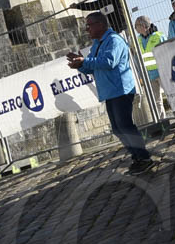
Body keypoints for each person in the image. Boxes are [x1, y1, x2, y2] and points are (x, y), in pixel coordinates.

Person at [68, 11, 156, 173]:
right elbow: (93, 67)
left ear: (100, 25)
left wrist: (85, 61)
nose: (87, 29)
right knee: (117, 128)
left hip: (120, 90)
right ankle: (137, 157)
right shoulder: (98, 43)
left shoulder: (114, 40)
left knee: (125, 126)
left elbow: (109, 62)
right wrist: (80, 65)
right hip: (110, 92)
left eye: (89, 25)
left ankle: (144, 158)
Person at [133, 17, 165, 83]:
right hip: (149, 76)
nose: (135, 28)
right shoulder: (139, 40)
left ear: (143, 25)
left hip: (162, 73)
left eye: (136, 25)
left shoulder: (159, 36)